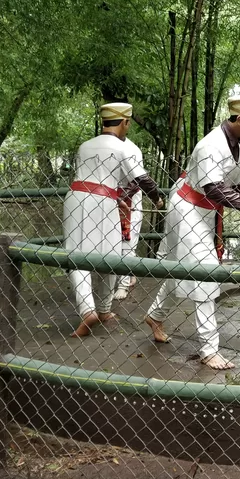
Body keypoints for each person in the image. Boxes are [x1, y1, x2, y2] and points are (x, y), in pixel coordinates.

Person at [144, 94, 240, 370]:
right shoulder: (211, 145)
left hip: (202, 209)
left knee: (180, 268)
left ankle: (154, 315)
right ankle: (209, 349)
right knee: (206, 272)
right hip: (187, 208)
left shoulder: (237, 146)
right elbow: (215, 189)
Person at [64, 102, 163, 338]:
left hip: (77, 199)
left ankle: (90, 310)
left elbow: (89, 178)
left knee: (76, 255)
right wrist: (158, 199)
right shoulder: (123, 148)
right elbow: (143, 179)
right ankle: (101, 310)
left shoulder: (85, 146)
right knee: (112, 255)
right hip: (105, 201)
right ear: (125, 122)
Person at [113, 136, 145, 301]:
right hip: (111, 196)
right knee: (112, 242)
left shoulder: (132, 149)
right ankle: (130, 274)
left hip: (129, 198)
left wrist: (121, 199)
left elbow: (137, 180)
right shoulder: (105, 145)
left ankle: (123, 284)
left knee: (127, 243)